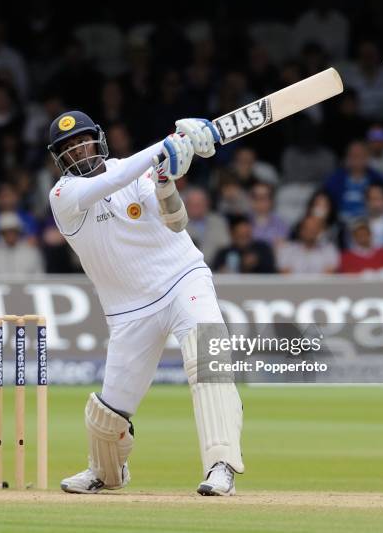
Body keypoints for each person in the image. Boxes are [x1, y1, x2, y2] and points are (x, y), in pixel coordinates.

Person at [49, 111, 243, 496]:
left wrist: (165, 180)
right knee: (108, 415)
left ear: (98, 140)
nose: (78, 151)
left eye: (82, 140)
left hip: (182, 280)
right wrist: (166, 145)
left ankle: (221, 466)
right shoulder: (63, 196)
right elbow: (110, 181)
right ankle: (107, 473)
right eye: (68, 148)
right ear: (59, 159)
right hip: (128, 312)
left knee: (207, 360)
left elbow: (176, 221)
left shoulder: (137, 171)